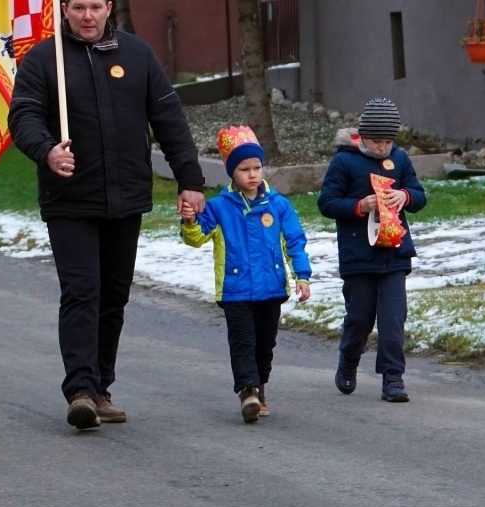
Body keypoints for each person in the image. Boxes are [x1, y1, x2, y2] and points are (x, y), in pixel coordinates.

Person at [8, 0, 206, 430]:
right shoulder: (44, 59)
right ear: (65, 10)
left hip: (126, 197)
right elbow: (25, 116)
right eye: (79, 7)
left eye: (95, 7)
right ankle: (79, 389)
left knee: (113, 296)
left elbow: (169, 121)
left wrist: (190, 181)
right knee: (82, 291)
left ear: (109, 8)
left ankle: (101, 387)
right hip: (70, 198)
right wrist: (47, 151)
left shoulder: (136, 55)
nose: (88, 15)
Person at [182, 126, 312, 423]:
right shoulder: (218, 207)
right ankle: (247, 391)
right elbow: (197, 238)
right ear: (232, 172)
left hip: (272, 288)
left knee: (265, 344)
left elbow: (294, 241)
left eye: (257, 167)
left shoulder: (278, 205)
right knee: (243, 342)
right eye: (244, 169)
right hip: (235, 290)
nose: (252, 174)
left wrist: (301, 276)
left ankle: (260, 385)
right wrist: (190, 222)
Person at [317, 98, 426, 403]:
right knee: (359, 320)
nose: (382, 148)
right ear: (362, 136)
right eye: (376, 141)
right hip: (358, 258)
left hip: (394, 255)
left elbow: (420, 195)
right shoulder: (344, 162)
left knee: (393, 321)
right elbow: (326, 202)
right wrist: (358, 206)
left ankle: (393, 378)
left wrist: (404, 196)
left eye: (388, 141)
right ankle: (348, 361)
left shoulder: (400, 160)